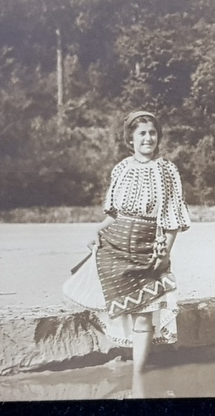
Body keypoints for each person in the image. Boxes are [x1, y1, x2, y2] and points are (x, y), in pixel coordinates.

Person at [63, 110, 191, 386]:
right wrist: (96, 230)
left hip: (149, 250)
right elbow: (113, 214)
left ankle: (138, 381)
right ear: (130, 139)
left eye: (152, 133)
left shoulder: (167, 170)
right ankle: (125, 367)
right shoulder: (121, 169)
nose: (148, 138)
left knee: (144, 317)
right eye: (142, 133)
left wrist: (165, 252)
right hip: (115, 245)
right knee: (104, 301)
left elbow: (172, 218)